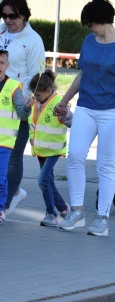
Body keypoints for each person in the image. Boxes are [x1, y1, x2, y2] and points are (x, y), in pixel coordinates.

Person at [54, 0, 115, 236]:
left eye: (90, 23)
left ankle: (102, 218)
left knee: (105, 165)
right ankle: (77, 211)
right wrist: (64, 100)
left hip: (113, 111)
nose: (89, 28)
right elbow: (82, 75)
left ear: (103, 21)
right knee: (74, 156)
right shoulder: (89, 41)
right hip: (86, 107)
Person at [0, 0, 46, 217]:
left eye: (13, 16)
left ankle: (7, 202)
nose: (8, 20)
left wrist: (21, 98)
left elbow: (36, 75)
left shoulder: (34, 40)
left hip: (18, 104)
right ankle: (13, 191)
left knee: (13, 156)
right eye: (4, 15)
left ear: (24, 15)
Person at [25, 70, 72, 227]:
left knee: (43, 180)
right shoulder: (36, 103)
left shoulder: (59, 102)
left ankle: (51, 214)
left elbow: (69, 120)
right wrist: (32, 137)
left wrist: (66, 115)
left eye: (37, 95)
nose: (35, 98)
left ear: (48, 91)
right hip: (40, 150)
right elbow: (32, 123)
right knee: (48, 181)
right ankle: (63, 208)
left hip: (54, 150)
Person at [0, 49, 32, 223]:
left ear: (7, 65)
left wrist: (27, 106)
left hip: (4, 144)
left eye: (2, 62)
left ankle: (0, 208)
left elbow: (23, 114)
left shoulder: (13, 87)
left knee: (0, 177)